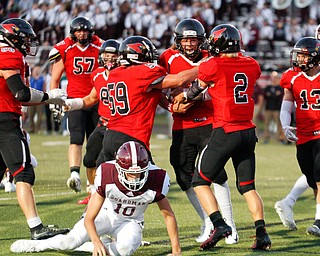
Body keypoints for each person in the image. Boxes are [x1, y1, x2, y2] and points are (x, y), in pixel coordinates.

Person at [184, 24, 271, 250]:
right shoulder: (252, 64)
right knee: (247, 187)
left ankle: (219, 224)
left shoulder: (212, 64)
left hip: (225, 130)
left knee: (200, 181)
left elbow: (195, 90)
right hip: (248, 132)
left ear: (220, 43)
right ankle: (261, 233)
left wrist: (184, 98)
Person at [10, 141, 182, 256]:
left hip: (131, 221)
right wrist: (95, 239)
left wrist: (176, 251)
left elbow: (168, 215)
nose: (134, 178)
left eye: (138, 174)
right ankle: (39, 245)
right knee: (69, 242)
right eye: (130, 173)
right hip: (105, 214)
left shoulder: (156, 179)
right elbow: (90, 218)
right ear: (119, 169)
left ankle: (94, 247)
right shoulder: (107, 174)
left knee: (126, 248)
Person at [159, 18, 238, 244]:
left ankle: (230, 225)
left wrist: (194, 97)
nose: (190, 44)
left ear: (201, 41)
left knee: (216, 173)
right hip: (182, 126)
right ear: (178, 40)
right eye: (186, 40)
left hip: (210, 122)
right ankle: (211, 222)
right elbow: (156, 88)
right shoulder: (167, 57)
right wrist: (170, 105)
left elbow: (223, 87)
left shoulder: (212, 58)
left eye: (194, 40)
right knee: (183, 174)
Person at [0, 18, 69, 239]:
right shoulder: (8, 53)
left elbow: (21, 97)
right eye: (24, 38)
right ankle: (36, 227)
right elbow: (21, 93)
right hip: (4, 121)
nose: (27, 43)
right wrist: (50, 97)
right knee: (23, 172)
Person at [94, 35, 198, 168]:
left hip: (110, 135)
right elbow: (180, 80)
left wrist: (170, 107)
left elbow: (152, 92)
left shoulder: (116, 73)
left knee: (109, 183)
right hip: (131, 137)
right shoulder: (141, 72)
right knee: (155, 183)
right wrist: (205, 66)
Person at [49, 16, 103, 194]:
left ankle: (93, 181)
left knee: (95, 141)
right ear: (73, 32)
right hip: (74, 101)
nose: (82, 33)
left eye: (85, 30)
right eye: (79, 30)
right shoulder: (65, 48)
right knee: (76, 137)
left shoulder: (99, 46)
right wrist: (53, 101)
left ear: (91, 31)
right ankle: (74, 174)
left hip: (96, 100)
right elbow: (55, 79)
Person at [274, 24, 320, 231]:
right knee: (312, 178)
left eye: (304, 56)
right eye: (298, 55)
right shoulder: (292, 76)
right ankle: (289, 203)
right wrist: (285, 125)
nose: (299, 59)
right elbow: (287, 103)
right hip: (304, 133)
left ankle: (319, 221)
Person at [65, 39, 120, 205]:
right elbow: (91, 98)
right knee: (90, 159)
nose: (110, 59)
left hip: (120, 124)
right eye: (107, 55)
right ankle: (93, 191)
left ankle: (121, 194)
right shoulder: (97, 74)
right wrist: (71, 104)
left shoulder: (126, 73)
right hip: (103, 123)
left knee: (116, 160)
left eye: (114, 55)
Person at [263, 71, 284, 144]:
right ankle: (266, 138)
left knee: (278, 124)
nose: (273, 79)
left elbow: (278, 96)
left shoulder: (280, 87)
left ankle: (280, 138)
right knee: (266, 124)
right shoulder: (268, 87)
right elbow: (266, 96)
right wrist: (274, 95)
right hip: (268, 108)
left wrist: (271, 95)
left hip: (277, 108)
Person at [28, 64, 46, 134]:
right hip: (32, 99)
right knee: (31, 114)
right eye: (35, 70)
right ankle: (32, 128)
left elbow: (44, 89)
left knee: (39, 114)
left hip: (39, 99)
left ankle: (37, 129)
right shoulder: (30, 79)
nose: (36, 71)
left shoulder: (42, 79)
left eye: (38, 70)